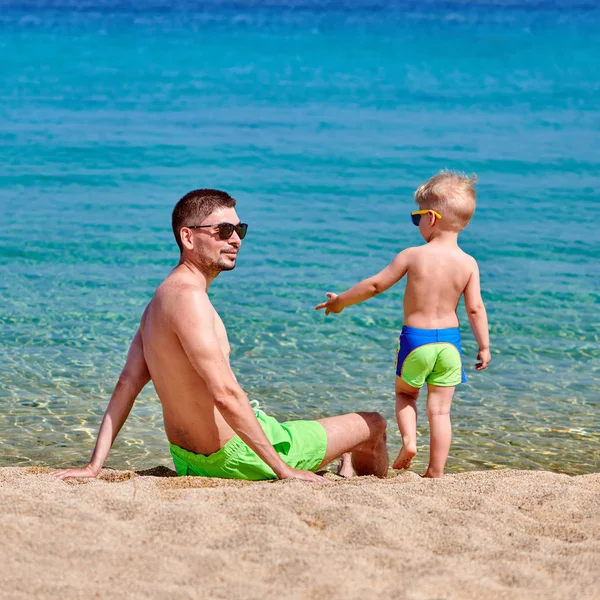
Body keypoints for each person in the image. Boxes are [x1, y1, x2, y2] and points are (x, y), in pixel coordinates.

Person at [54, 189, 388, 482]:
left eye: (239, 229)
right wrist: (283, 471)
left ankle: (340, 461)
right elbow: (225, 393)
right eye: (224, 230)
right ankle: (361, 481)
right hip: (237, 458)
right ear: (188, 237)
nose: (236, 239)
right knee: (373, 424)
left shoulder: (160, 299)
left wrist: (94, 466)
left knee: (304, 429)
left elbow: (127, 383)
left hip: (188, 460)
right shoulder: (190, 299)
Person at [316, 171, 490, 478]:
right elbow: (475, 309)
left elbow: (374, 286)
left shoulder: (412, 255)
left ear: (432, 218)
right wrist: (484, 346)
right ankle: (435, 472)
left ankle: (409, 441)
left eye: (416, 217)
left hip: (416, 341)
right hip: (450, 344)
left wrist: (340, 301)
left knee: (406, 395)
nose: (416, 223)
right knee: (440, 411)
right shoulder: (468, 263)